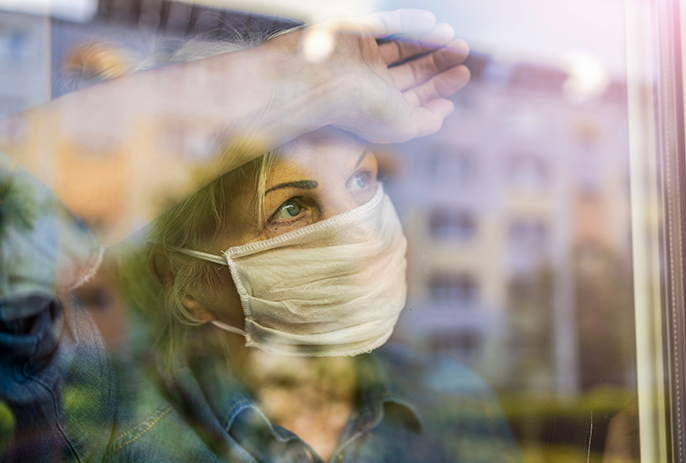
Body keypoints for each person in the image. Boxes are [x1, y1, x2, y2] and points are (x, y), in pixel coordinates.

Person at [0, 9, 520, 462]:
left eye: (361, 180)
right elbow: (11, 207)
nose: (357, 236)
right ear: (183, 282)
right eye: (291, 207)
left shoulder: (452, 401)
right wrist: (286, 77)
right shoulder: (110, 421)